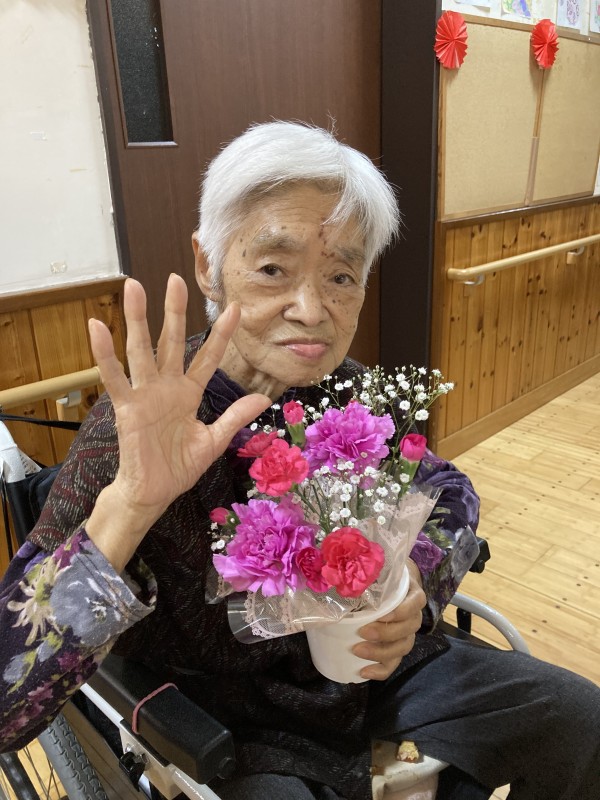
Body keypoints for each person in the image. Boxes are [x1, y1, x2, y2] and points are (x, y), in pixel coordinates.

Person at [1, 121, 598, 800]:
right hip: (234, 726)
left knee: (577, 719)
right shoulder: (135, 430)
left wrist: (414, 583)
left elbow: (447, 488)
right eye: (272, 270)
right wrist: (130, 505)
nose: (312, 310)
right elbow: (6, 704)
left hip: (375, 679)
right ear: (208, 264)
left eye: (341, 275)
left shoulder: (348, 392)